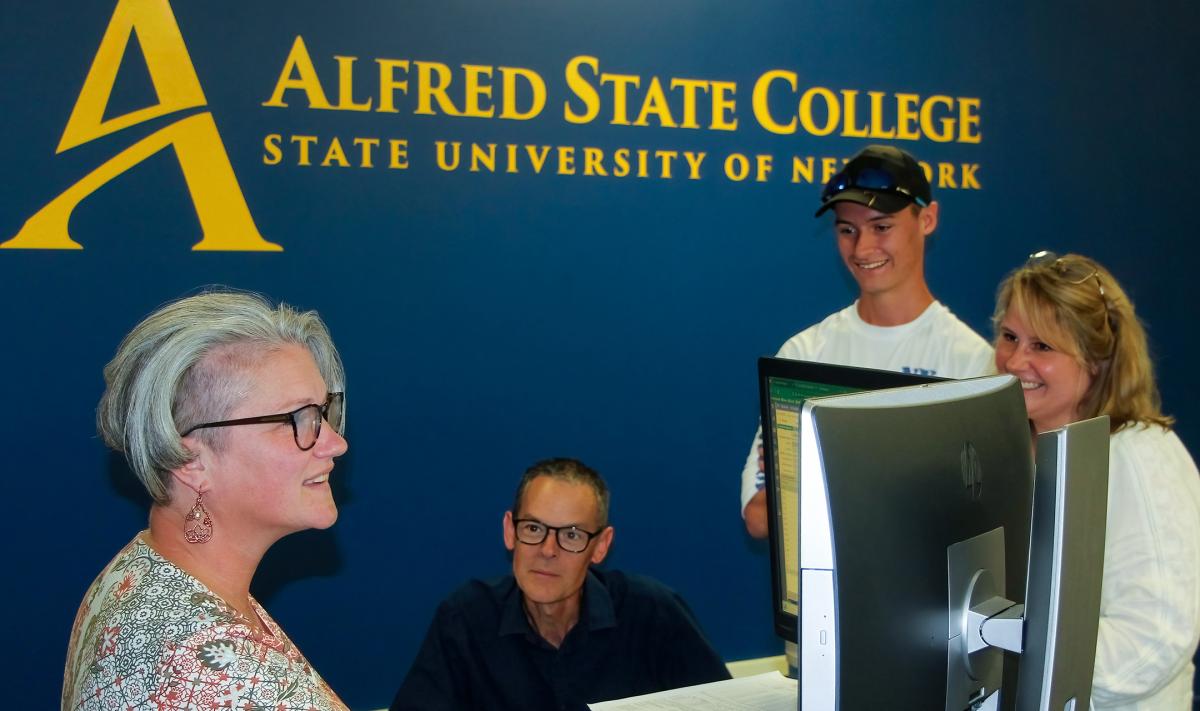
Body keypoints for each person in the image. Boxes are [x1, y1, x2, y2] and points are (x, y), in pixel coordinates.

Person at [63, 290, 351, 711]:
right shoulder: (212, 674)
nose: (335, 443)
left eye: (324, 413)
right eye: (297, 419)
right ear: (191, 461)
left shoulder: (144, 569)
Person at [741, 144, 994, 537]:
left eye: (881, 227)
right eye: (847, 230)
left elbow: (981, 516)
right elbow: (760, 517)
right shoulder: (803, 355)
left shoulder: (973, 363)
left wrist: (827, 475)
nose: (862, 249)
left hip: (928, 597)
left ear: (927, 219)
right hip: (826, 599)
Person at [994, 251, 1200, 709]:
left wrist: (1015, 658)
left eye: (1042, 347)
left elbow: (1152, 641)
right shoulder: (1011, 449)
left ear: (1095, 362)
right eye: (1009, 337)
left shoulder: (1142, 457)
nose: (1014, 360)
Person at [391, 457, 730, 711]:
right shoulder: (465, 619)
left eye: (571, 535)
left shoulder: (653, 614)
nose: (547, 551)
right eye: (534, 529)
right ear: (510, 531)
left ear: (600, 546)